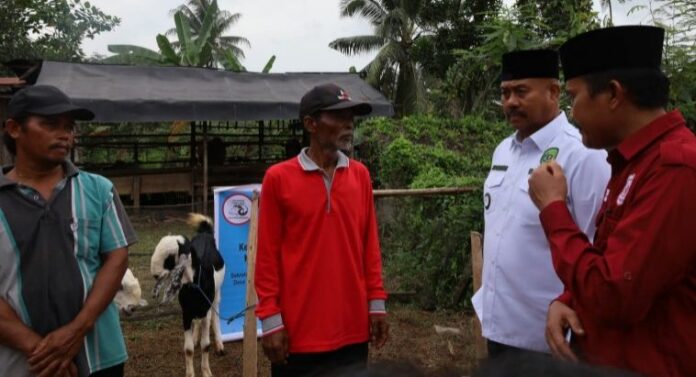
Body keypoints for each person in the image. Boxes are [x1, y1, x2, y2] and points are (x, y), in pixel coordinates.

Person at [528, 26, 696, 377]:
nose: (571, 112)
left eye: (574, 97)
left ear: (614, 94)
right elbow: (616, 257)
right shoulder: (631, 163)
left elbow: (615, 294)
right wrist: (568, 299)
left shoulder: (675, 168)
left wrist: (553, 208)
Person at [472, 49, 610, 357]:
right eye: (505, 93)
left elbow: (598, 245)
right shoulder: (503, 151)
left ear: (554, 92)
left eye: (521, 91)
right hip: (500, 329)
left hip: (550, 339)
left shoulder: (583, 155)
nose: (510, 102)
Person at [0, 85, 137, 377]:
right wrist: (41, 349)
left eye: (69, 127)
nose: (65, 135)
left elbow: (117, 258)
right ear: (14, 128)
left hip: (99, 356)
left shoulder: (98, 190)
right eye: (50, 124)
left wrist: (77, 331)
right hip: (19, 363)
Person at [255, 83, 389, 377]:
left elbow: (370, 247)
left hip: (353, 332)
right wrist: (270, 319)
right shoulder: (278, 179)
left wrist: (376, 304)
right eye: (338, 116)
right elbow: (266, 258)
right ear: (310, 124)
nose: (348, 123)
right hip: (298, 335)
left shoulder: (360, 176)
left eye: (351, 116)